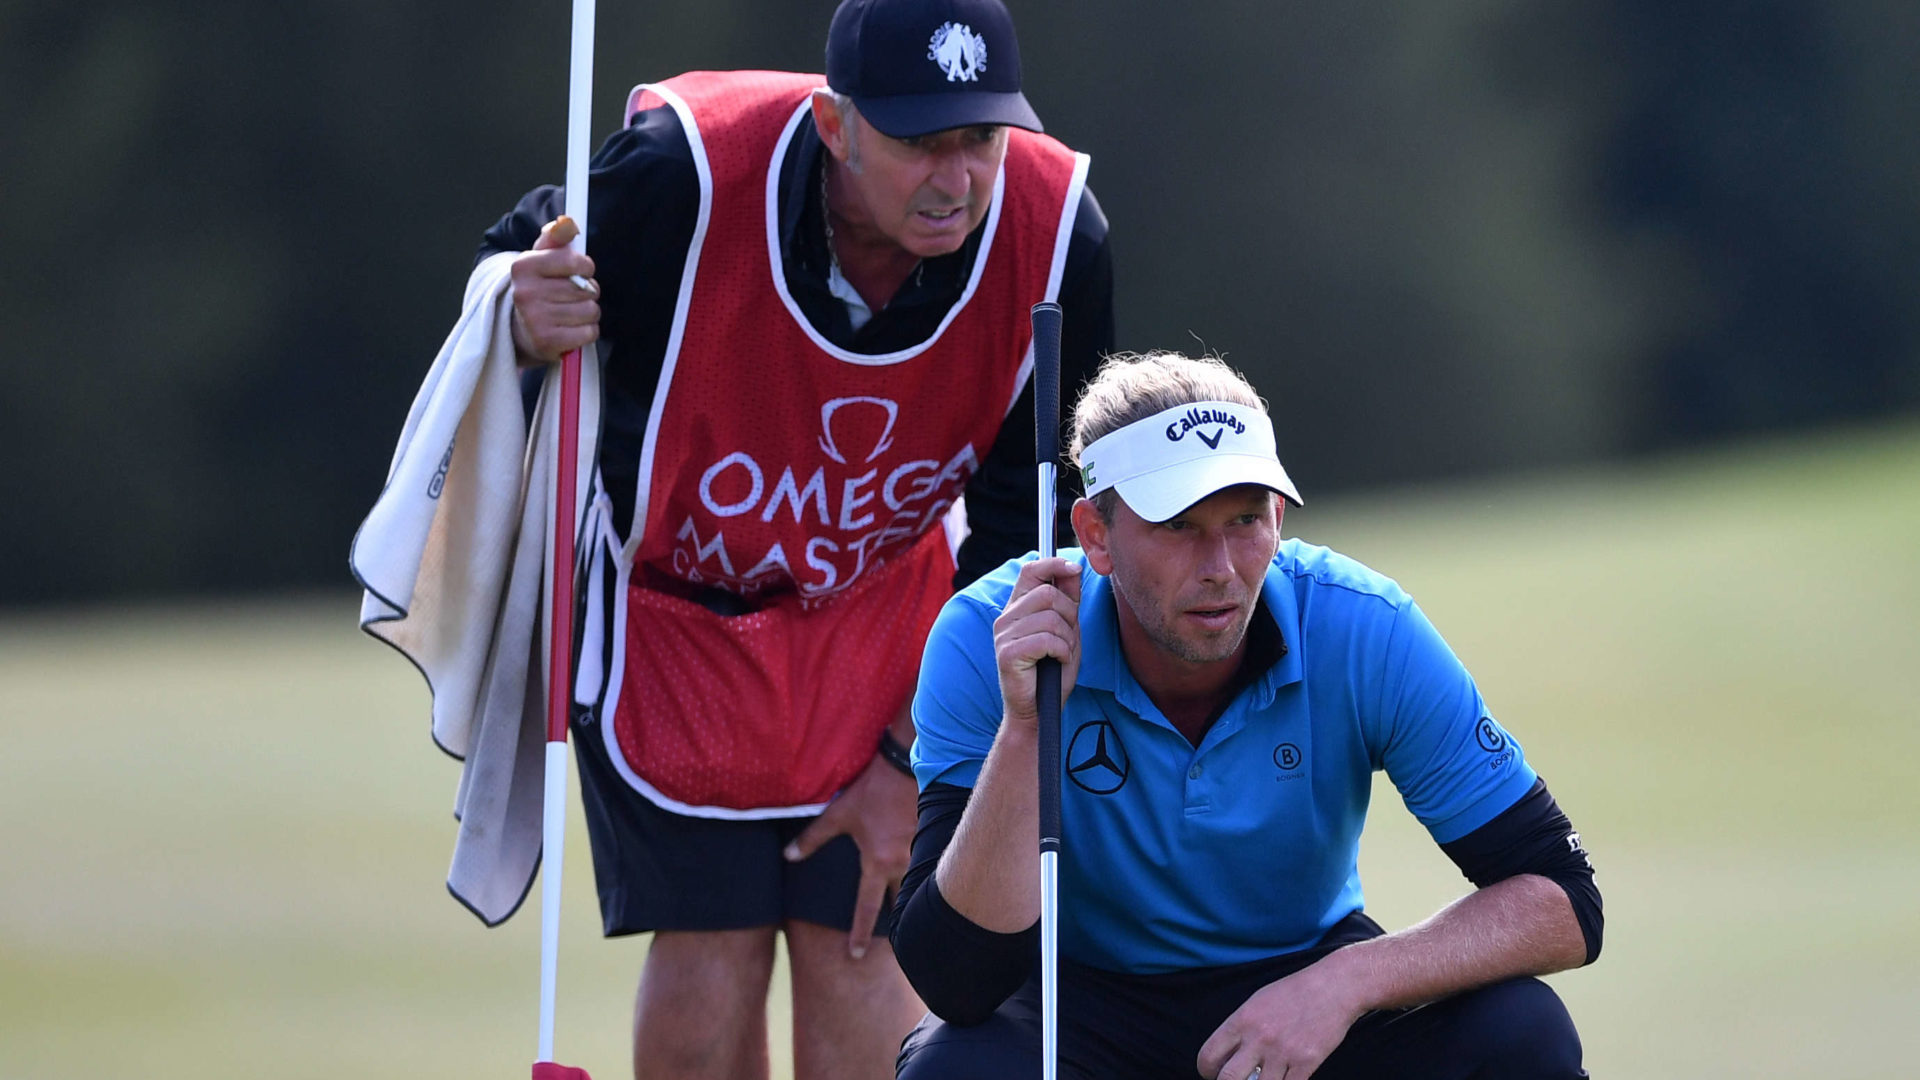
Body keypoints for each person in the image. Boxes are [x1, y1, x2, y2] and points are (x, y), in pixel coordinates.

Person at [486, 0, 1111, 1078]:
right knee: (709, 949)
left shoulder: (1058, 239)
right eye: (921, 140)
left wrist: (906, 763)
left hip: (888, 625)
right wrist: (518, 307)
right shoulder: (681, 172)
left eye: (982, 137)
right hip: (672, 622)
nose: (958, 177)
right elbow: (523, 257)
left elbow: (1027, 522)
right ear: (836, 126)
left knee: (865, 944)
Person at [892, 352, 1602, 1079]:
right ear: (1095, 534)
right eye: (1178, 526)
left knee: (1523, 1034)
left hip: (1303, 978)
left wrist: (1345, 982)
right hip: (1080, 1002)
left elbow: (1565, 898)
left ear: (1280, 514)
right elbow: (956, 978)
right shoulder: (994, 636)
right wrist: (1028, 728)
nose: (1222, 567)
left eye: (1244, 519)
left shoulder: (1362, 626)